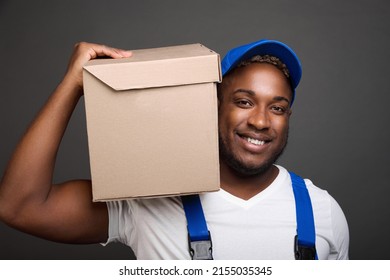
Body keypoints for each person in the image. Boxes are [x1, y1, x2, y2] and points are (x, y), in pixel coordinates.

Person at [0, 39, 349, 259]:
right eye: (244, 101)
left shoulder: (323, 213)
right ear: (212, 105)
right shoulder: (147, 201)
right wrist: (73, 84)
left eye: (277, 108)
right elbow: (20, 207)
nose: (260, 121)